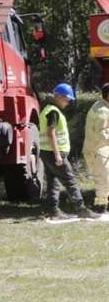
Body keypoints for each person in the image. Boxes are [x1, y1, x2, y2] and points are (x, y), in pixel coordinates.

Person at [41, 83, 90, 220]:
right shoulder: (53, 112)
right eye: (67, 99)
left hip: (46, 152)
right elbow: (51, 133)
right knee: (70, 180)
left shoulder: (47, 109)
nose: (68, 102)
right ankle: (81, 209)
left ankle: (53, 210)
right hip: (54, 153)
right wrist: (57, 154)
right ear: (59, 96)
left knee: (53, 181)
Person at [81, 84, 109, 217]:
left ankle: (102, 205)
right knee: (103, 179)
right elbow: (102, 133)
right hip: (97, 149)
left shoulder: (103, 106)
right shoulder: (102, 111)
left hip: (100, 147)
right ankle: (100, 207)